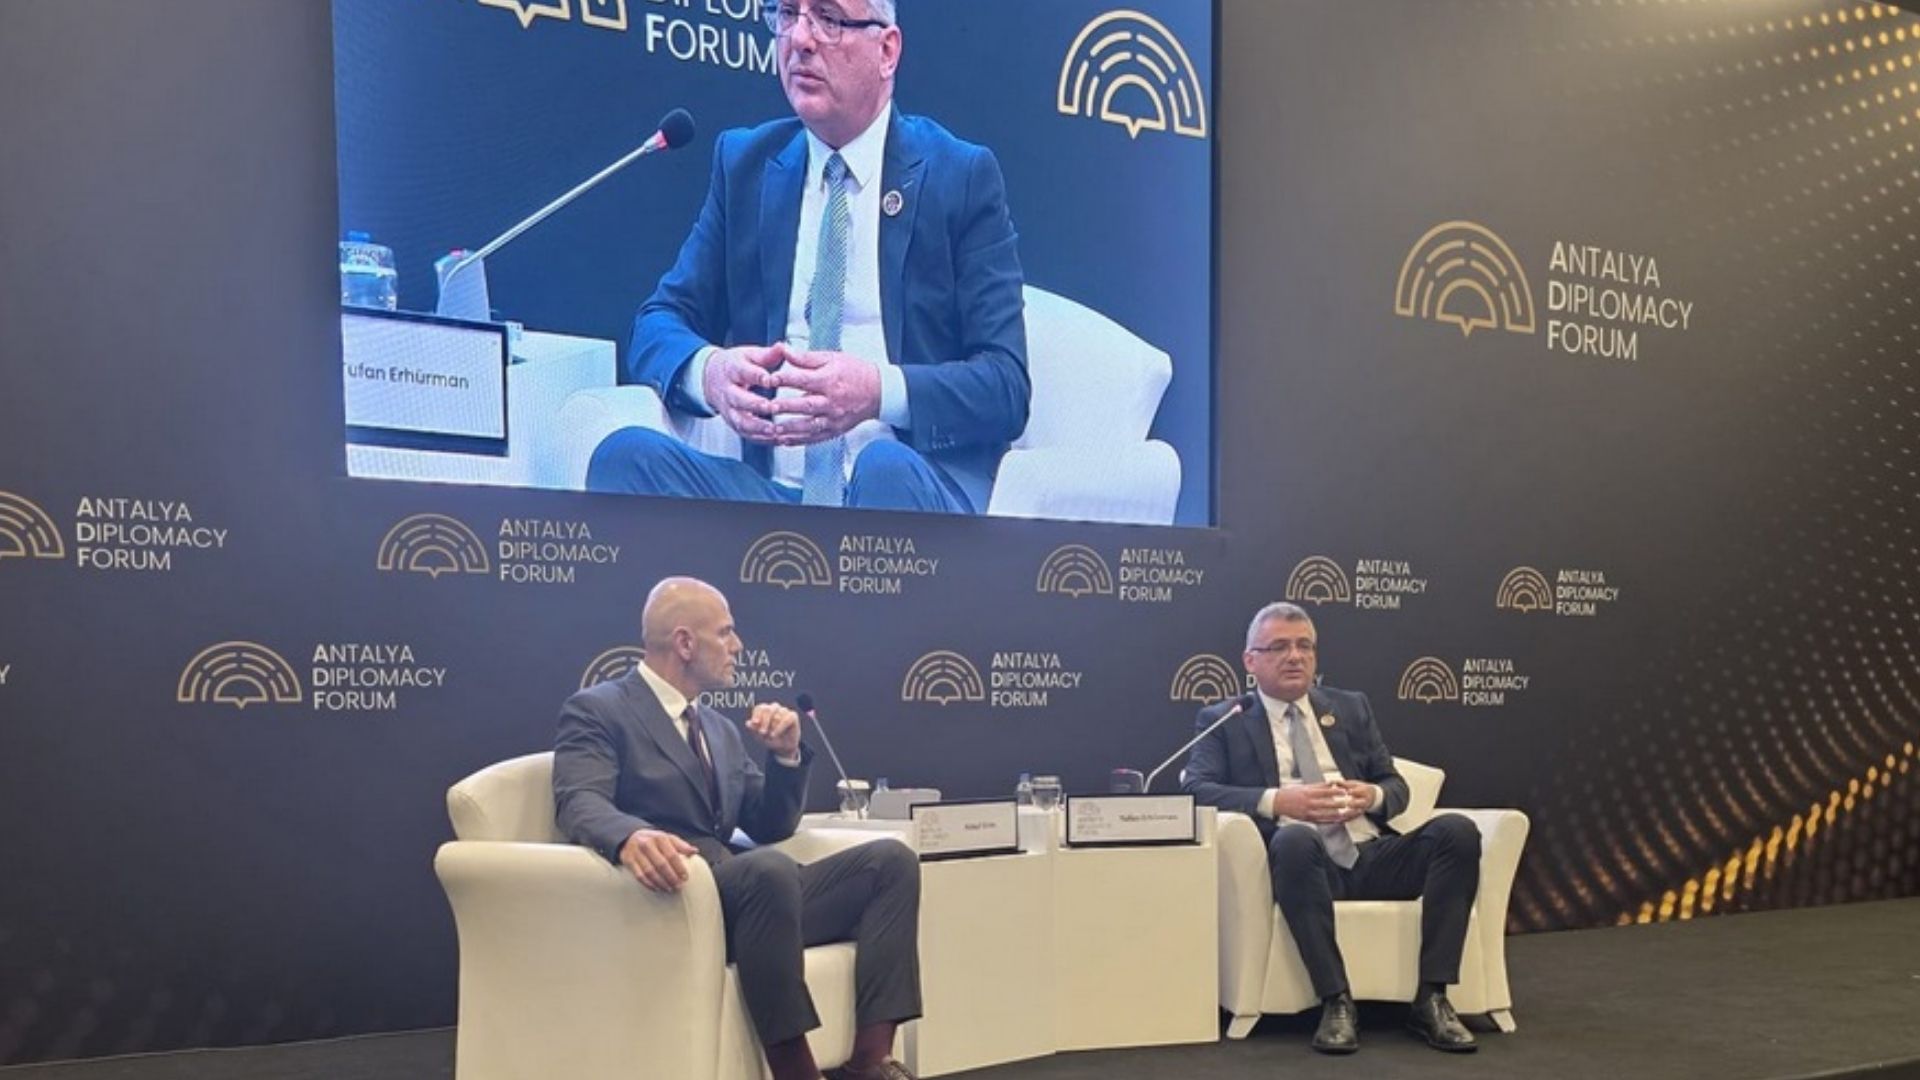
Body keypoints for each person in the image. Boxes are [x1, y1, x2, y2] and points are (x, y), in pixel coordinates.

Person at [586, 0, 1030, 515]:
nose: (800, 39)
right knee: (626, 459)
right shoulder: (746, 165)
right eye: (786, 14)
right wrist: (710, 372)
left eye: (828, 18)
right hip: (774, 502)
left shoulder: (960, 175)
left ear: (887, 51)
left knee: (883, 468)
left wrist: (876, 391)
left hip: (908, 496)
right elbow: (658, 323)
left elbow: (1005, 385)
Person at [553, 577, 922, 1080]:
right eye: (726, 633)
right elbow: (579, 799)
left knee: (891, 862)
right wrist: (629, 836)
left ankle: (869, 1063)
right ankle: (796, 1072)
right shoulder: (599, 709)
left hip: (755, 896)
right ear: (685, 643)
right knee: (767, 870)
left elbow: (769, 824)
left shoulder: (718, 729)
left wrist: (785, 757)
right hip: (673, 895)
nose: (738, 646)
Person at [1183, 602, 1482, 1055]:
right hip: (1301, 864)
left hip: (1369, 852)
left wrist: (1371, 796)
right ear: (1250, 661)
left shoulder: (1350, 707)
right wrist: (1278, 801)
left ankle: (1432, 998)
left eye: (1304, 646)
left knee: (1457, 832)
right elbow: (1197, 789)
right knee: (1296, 837)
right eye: (1279, 647)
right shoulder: (1225, 719)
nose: (1294, 657)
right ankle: (1336, 1000)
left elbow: (1394, 783)